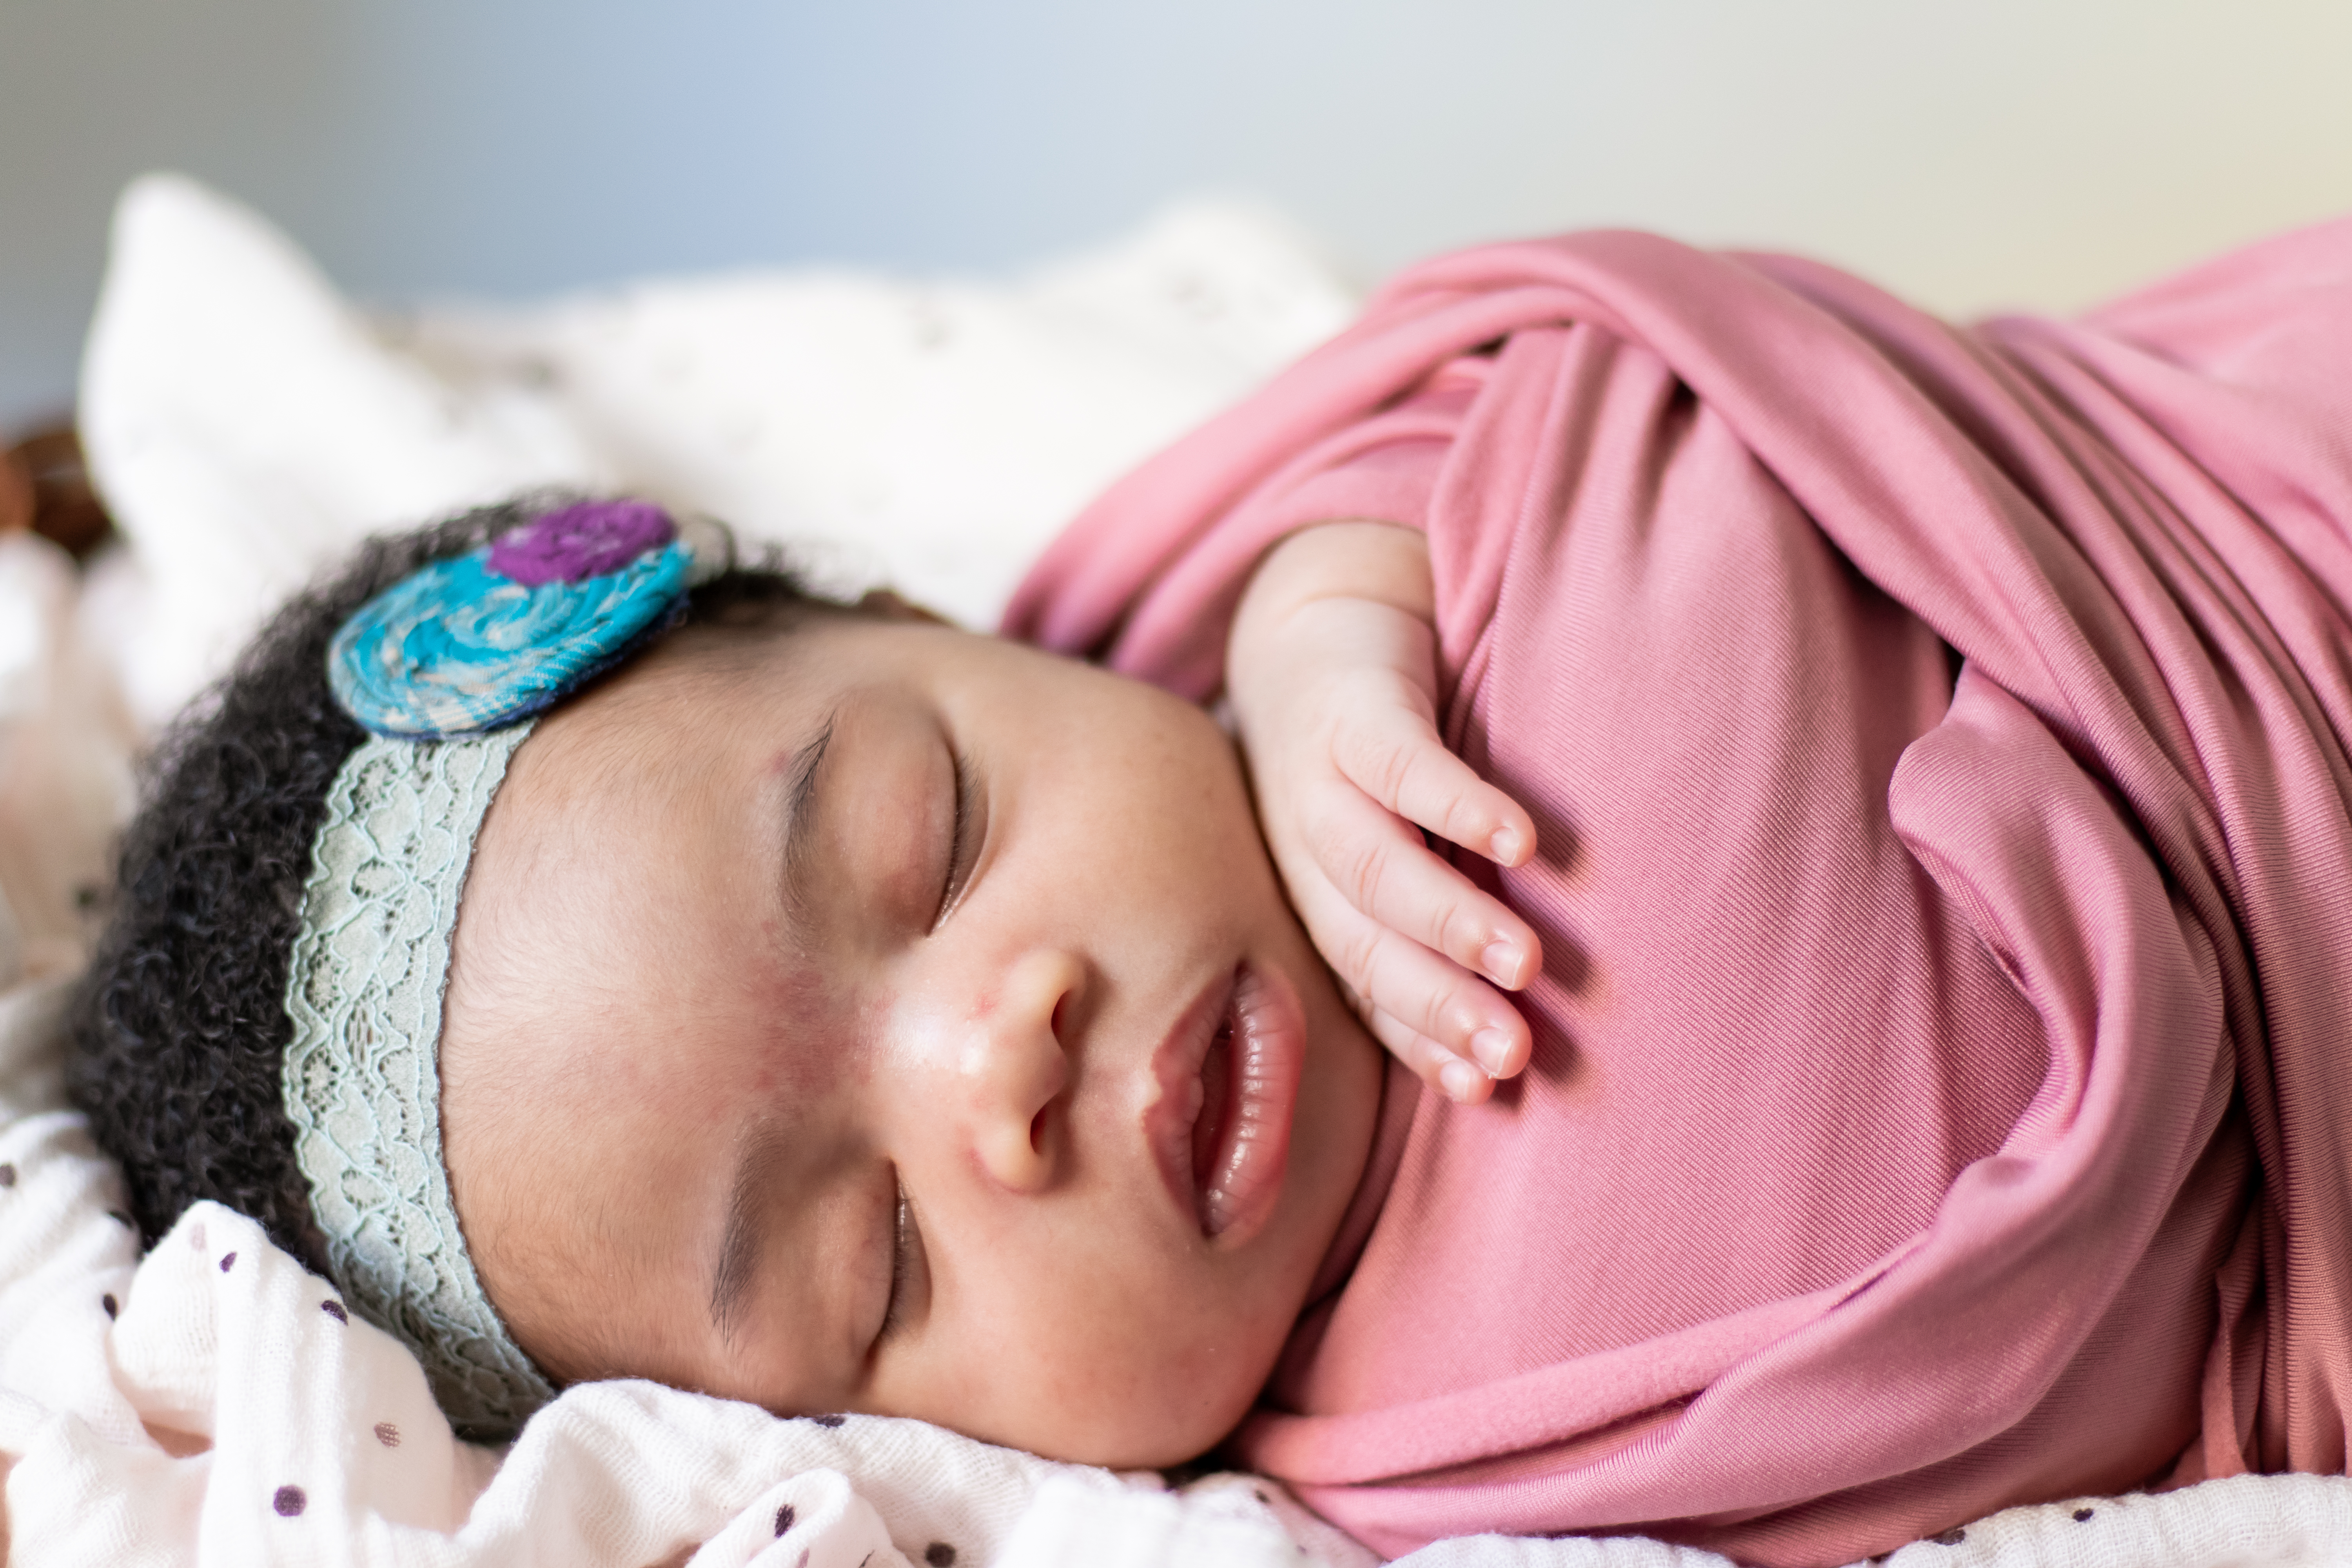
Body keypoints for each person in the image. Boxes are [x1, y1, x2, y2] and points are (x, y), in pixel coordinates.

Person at [68, 210, 2352, 1567]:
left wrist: (1331, 617)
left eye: (929, 842)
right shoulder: (1408, 1487)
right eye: (877, 1256)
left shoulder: (1343, 594)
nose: (1001, 1056)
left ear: (955, 634)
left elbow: (1595, 379)